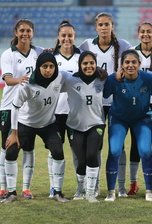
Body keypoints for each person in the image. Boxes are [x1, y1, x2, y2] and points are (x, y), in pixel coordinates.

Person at [1, 53, 69, 203]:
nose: (48, 70)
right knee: (11, 152)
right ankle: (11, 193)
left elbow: (79, 77)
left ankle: (57, 192)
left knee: (58, 151)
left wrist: (97, 71)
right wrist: (14, 133)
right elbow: (15, 106)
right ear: (38, 67)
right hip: (26, 123)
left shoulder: (60, 77)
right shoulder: (27, 84)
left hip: (48, 124)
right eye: (45, 66)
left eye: (51, 66)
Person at [79, 12, 132, 198]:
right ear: (96, 27)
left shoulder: (124, 45)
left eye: (106, 24)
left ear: (112, 26)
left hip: (118, 101)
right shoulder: (86, 45)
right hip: (95, 103)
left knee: (119, 146)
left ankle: (121, 187)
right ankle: (95, 186)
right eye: (100, 24)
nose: (103, 27)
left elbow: (135, 61)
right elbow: (72, 59)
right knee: (97, 145)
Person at [0, 18, 43, 200]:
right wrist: (23, 80)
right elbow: (8, 80)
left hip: (30, 108)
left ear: (32, 33)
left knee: (29, 148)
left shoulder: (38, 53)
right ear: (16, 33)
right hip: (9, 107)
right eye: (22, 30)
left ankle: (26, 188)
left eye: (28, 31)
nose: (25, 34)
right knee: (6, 147)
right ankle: (3, 187)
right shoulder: (8, 54)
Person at [103, 49, 152, 202]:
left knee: (145, 151)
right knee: (114, 151)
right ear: (122, 65)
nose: (130, 65)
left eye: (134, 62)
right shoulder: (114, 79)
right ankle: (111, 191)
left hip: (142, 118)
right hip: (119, 118)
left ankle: (149, 191)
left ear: (139, 64)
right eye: (127, 62)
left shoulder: (148, 79)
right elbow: (104, 94)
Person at [123, 22, 152, 196]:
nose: (146, 34)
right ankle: (133, 183)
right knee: (136, 144)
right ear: (138, 34)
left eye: (149, 32)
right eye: (143, 32)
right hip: (139, 104)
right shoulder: (132, 53)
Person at [61, 51, 106, 203]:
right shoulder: (70, 79)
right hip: (74, 126)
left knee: (92, 155)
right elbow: (51, 75)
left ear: (96, 64)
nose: (88, 66)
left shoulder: (103, 79)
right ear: (80, 65)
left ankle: (91, 192)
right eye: (85, 63)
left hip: (96, 124)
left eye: (91, 63)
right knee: (81, 160)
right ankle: (80, 190)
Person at [47, 19, 81, 199]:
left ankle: (80, 187)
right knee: (55, 150)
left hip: (76, 112)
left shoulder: (82, 57)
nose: (66, 38)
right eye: (63, 35)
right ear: (58, 38)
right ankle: (54, 187)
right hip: (54, 112)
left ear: (74, 37)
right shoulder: (50, 58)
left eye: (70, 35)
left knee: (77, 151)